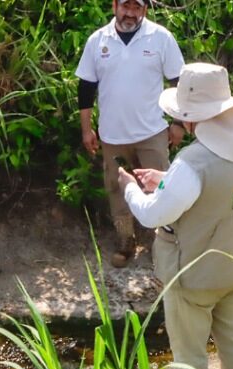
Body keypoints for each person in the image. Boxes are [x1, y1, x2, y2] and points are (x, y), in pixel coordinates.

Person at [118, 62, 233, 369]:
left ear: (192, 117)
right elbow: (225, 192)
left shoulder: (194, 162)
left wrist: (129, 189)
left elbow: (153, 215)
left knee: (190, 354)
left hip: (195, 273)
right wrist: (169, 181)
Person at [75, 0, 184, 268]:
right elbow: (85, 88)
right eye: (126, 6)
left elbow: (180, 83)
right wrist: (87, 129)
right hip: (112, 136)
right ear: (114, 6)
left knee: (163, 187)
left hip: (153, 132)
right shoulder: (97, 40)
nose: (130, 14)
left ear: (145, 10)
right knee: (117, 190)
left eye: (137, 8)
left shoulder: (161, 38)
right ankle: (126, 242)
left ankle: (164, 243)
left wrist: (179, 123)